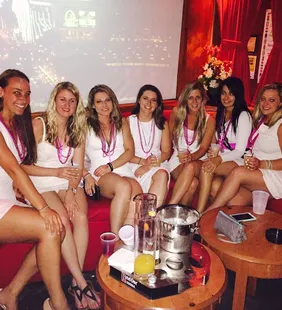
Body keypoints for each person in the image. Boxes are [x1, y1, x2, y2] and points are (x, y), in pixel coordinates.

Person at [0, 69, 69, 310]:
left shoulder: (16, 124)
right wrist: (43, 208)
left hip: (4, 200)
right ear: (0, 92)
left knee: (58, 229)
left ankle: (10, 294)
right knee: (52, 227)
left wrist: (21, 192)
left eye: (27, 93)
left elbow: (12, 171)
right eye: (16, 92)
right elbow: (15, 170)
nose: (23, 98)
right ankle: (59, 303)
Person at [22, 82, 100, 309]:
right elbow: (23, 166)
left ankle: (76, 283)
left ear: (77, 105)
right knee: (63, 220)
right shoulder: (39, 125)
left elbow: (76, 167)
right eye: (63, 99)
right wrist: (56, 172)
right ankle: (82, 282)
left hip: (67, 182)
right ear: (54, 100)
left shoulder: (78, 128)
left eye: (72, 101)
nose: (67, 105)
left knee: (81, 218)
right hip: (40, 180)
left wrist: (71, 192)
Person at [208, 83, 282, 210]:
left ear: (281, 103)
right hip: (259, 172)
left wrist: (261, 164)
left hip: (281, 177)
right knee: (231, 198)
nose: (265, 103)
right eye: (263, 99)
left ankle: (206, 214)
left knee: (238, 172)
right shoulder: (261, 121)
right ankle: (215, 226)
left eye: (271, 100)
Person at [84, 84, 142, 232]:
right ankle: (114, 239)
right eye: (99, 101)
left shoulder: (121, 122)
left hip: (120, 168)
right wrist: (86, 176)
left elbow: (130, 151)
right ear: (93, 105)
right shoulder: (85, 125)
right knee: (123, 186)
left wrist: (110, 166)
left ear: (113, 101)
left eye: (107, 100)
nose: (104, 105)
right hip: (99, 173)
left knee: (138, 194)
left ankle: (126, 237)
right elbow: (76, 156)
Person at [196, 77, 252, 213]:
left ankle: (199, 213)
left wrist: (218, 159)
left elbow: (239, 151)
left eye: (231, 94)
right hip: (224, 158)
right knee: (215, 186)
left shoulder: (243, 115)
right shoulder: (221, 113)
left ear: (238, 95)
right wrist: (214, 151)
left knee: (205, 168)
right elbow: (218, 140)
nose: (226, 97)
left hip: (238, 161)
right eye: (223, 93)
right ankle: (211, 222)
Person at [168, 81, 215, 206]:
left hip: (198, 160)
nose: (194, 102)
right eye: (190, 98)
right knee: (193, 184)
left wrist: (191, 157)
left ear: (203, 100)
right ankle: (179, 216)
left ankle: (169, 207)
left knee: (190, 166)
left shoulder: (209, 120)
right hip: (177, 160)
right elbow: (168, 137)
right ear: (185, 99)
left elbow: (204, 148)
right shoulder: (177, 113)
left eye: (198, 97)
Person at [128, 85, 171, 208]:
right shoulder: (128, 122)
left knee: (162, 174)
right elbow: (124, 152)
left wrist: (149, 165)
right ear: (139, 100)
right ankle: (150, 221)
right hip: (134, 163)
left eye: (153, 100)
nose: (149, 103)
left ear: (157, 104)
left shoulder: (162, 123)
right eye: (145, 98)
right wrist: (143, 163)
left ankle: (149, 218)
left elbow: (166, 152)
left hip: (157, 163)